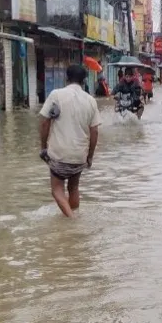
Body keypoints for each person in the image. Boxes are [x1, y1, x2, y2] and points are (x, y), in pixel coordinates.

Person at [39, 64, 101, 218]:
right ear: (84, 80)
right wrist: (90, 156)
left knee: (57, 190)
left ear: (66, 78)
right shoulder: (90, 100)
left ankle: (72, 219)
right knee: (73, 187)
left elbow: (44, 122)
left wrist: (43, 147)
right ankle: (73, 216)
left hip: (59, 153)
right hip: (79, 155)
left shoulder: (56, 95)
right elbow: (94, 131)